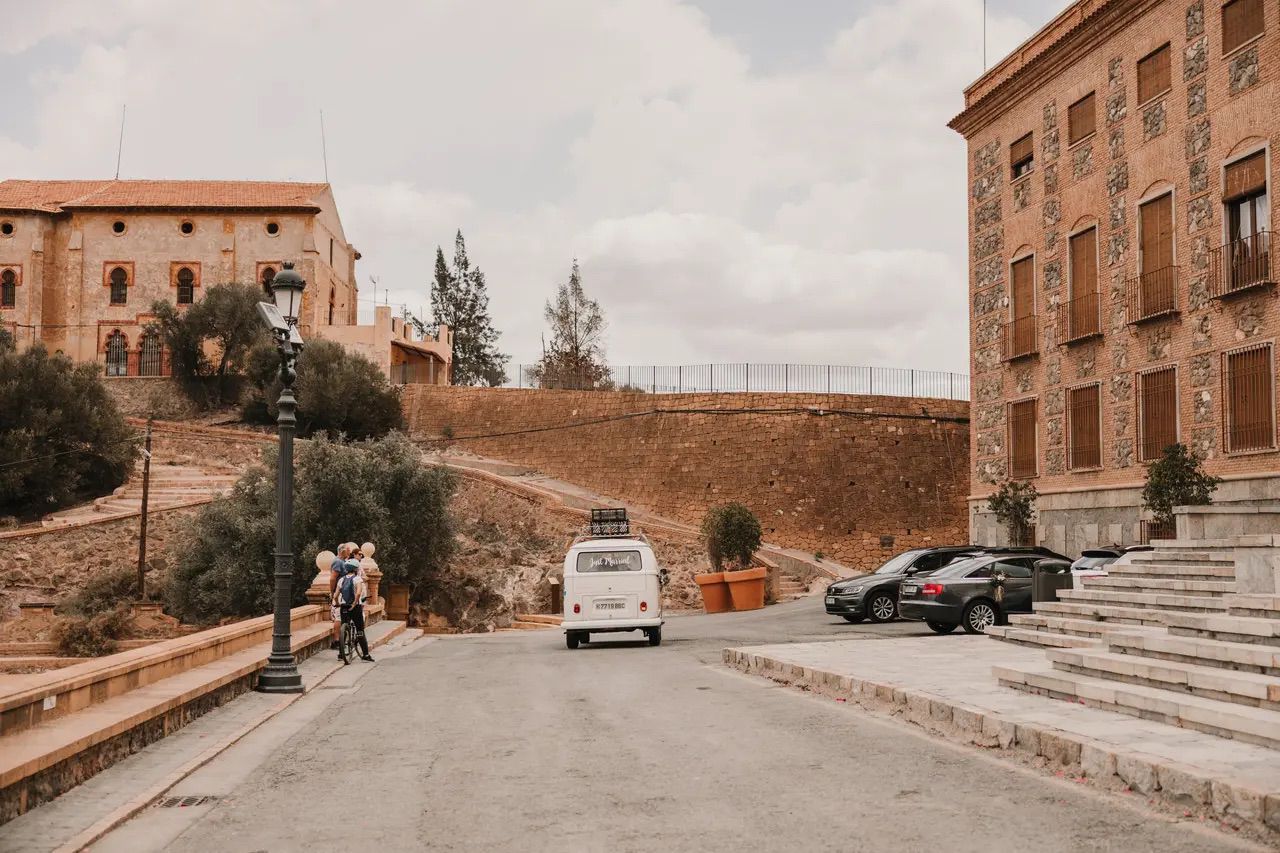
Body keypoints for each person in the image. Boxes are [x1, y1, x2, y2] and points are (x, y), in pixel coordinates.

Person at [334, 560, 373, 662]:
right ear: (355, 569)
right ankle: (365, 655)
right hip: (355, 607)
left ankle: (341, 654)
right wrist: (354, 603)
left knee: (344, 626)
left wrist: (337, 603)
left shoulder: (341, 580)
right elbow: (359, 593)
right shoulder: (357, 579)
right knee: (360, 630)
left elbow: (335, 595)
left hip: (344, 606)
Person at [328, 544, 352, 648]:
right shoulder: (338, 562)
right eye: (348, 550)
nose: (349, 552)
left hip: (344, 593)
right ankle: (336, 641)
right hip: (340, 593)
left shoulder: (342, 561)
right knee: (338, 617)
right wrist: (333, 592)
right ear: (342, 551)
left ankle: (341, 639)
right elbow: (333, 578)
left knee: (343, 616)